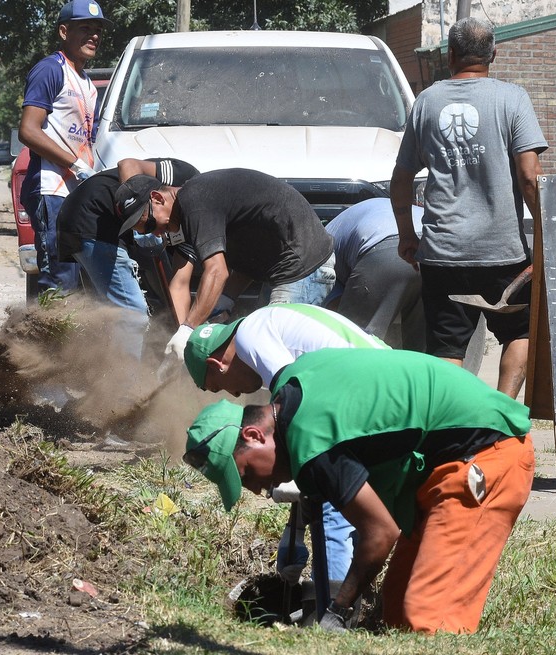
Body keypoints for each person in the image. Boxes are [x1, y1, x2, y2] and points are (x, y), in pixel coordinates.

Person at [183, 348, 534, 634]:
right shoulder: (290, 389)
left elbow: (380, 532)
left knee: (427, 618)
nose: (257, 489)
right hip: (436, 467)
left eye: (246, 475)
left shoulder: (313, 444)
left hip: (488, 451)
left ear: (254, 435)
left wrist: (337, 609)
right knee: (395, 612)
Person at [180, 303, 389, 595]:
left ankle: (328, 614)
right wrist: (295, 531)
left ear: (218, 364)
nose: (237, 394)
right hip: (372, 380)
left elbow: (300, 418)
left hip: (367, 392)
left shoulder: (250, 337)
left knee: (334, 504)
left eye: (219, 387)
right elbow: (299, 440)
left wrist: (297, 529)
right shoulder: (265, 323)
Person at [389, 16, 546, 399]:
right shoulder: (512, 99)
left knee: (447, 347)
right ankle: (502, 413)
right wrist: (546, 236)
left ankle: (457, 424)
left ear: (450, 55)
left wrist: (408, 235)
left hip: (444, 254)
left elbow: (401, 178)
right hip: (504, 254)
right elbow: (530, 177)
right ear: (494, 53)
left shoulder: (427, 101)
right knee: (520, 332)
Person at [114, 168, 335, 361]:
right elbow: (250, 254)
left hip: (301, 270)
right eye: (147, 232)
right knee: (258, 351)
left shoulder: (195, 203)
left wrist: (187, 330)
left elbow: (217, 271)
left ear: (157, 198)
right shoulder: (198, 203)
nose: (157, 233)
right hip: (285, 269)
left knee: (275, 360)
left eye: (151, 224)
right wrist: (224, 302)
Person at [55, 157, 199, 358]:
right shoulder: (185, 176)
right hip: (92, 219)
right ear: (157, 198)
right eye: (152, 226)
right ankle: (126, 384)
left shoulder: (195, 223)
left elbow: (179, 284)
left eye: (157, 228)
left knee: (114, 312)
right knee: (131, 313)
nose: (158, 233)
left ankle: (96, 371)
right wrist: (137, 207)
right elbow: (127, 164)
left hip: (100, 223)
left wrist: (183, 334)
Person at [18, 0, 110, 295]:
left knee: (77, 280)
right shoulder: (50, 70)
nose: (93, 35)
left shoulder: (87, 84)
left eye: (97, 30)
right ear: (63, 31)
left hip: (77, 191)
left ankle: (66, 340)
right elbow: (28, 131)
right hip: (51, 188)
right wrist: (76, 165)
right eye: (85, 28)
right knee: (59, 279)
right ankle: (41, 342)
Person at [323, 197, 426, 350]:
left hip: (386, 249)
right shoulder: (342, 227)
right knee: (421, 352)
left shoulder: (319, 252)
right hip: (435, 248)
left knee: (352, 345)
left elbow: (333, 309)